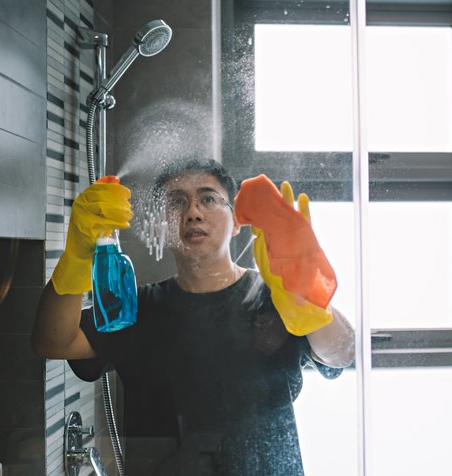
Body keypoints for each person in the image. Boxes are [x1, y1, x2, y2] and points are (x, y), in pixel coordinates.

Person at [31, 158, 355, 475]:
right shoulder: (136, 308)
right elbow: (53, 342)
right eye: (176, 202)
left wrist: (311, 304)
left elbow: (342, 353)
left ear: (236, 221)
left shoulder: (275, 296)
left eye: (209, 199)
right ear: (161, 224)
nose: (193, 213)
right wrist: (76, 258)